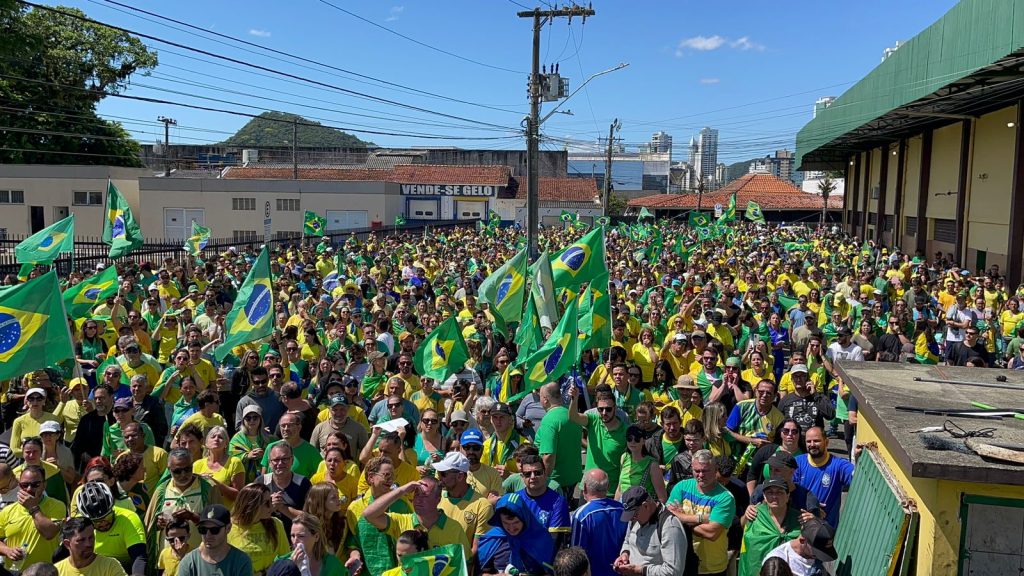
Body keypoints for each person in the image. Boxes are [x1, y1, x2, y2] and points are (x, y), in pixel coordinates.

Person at [666, 450, 736, 576]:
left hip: (711, 567)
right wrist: (700, 518)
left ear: (715, 471)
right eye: (697, 471)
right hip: (683, 562)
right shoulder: (681, 487)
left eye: (705, 471)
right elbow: (667, 517)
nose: (701, 475)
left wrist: (682, 519)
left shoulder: (725, 498)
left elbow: (711, 533)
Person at [362, 474, 471, 551]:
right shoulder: (402, 521)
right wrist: (401, 490)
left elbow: (465, 564)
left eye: (424, 495)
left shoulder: (455, 528)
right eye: (416, 494)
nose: (418, 499)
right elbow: (368, 515)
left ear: (438, 499)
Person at [73, 481, 147, 575]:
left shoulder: (129, 518)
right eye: (96, 521)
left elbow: (139, 556)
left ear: (113, 508)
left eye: (107, 517)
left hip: (125, 568)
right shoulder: (79, 524)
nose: (103, 524)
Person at [0, 465, 65, 571]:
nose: (29, 489)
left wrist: (32, 507)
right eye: (24, 485)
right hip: (15, 572)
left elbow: (49, 533)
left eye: (35, 484)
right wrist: (7, 550)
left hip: (45, 572)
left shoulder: (57, 506)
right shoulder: (7, 511)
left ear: (44, 485)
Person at [433, 451, 494, 561]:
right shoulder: (436, 498)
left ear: (460, 476)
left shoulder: (482, 505)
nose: (439, 478)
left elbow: (477, 548)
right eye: (438, 473)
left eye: (443, 474)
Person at [614, 486, 689, 576]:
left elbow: (673, 572)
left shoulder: (670, 526)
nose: (632, 519)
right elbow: (627, 541)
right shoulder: (634, 519)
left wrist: (640, 570)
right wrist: (625, 554)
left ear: (646, 506)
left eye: (634, 515)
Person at [567, 385, 627, 495]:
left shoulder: (625, 430)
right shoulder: (593, 419)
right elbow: (573, 417)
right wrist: (574, 399)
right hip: (588, 487)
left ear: (615, 408)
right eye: (600, 409)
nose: (604, 413)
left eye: (608, 409)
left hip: (610, 490)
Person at [478, 492, 556, 576]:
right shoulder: (492, 539)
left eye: (516, 522)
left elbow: (553, 573)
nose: (511, 528)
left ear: (524, 518)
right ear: (499, 521)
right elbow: (478, 572)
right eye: (506, 523)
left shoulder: (541, 539)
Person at [738, 478, 802, 576]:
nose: (774, 496)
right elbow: (743, 527)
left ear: (787, 496)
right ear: (764, 496)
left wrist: (813, 521)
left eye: (779, 492)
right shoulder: (754, 514)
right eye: (769, 492)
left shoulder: (800, 519)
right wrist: (745, 516)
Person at [570, 469, 627, 576]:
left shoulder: (581, 515)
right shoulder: (622, 509)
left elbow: (576, 554)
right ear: (608, 486)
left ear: (585, 487)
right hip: (620, 572)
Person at [793, 428, 853, 528]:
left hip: (826, 531)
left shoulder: (838, 465)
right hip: (799, 529)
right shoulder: (797, 463)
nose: (812, 444)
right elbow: (788, 491)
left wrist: (859, 459)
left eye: (816, 441)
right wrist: (813, 506)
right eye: (808, 441)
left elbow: (856, 475)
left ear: (826, 442)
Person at [226, 483, 289, 574]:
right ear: (252, 505)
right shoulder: (227, 527)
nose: (271, 506)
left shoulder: (276, 524)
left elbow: (285, 559)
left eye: (271, 501)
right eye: (266, 503)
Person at [535, 382, 584, 500]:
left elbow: (548, 456)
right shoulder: (572, 414)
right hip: (573, 478)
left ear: (545, 399)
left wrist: (543, 482)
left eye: (540, 396)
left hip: (555, 481)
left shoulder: (549, 420)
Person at [177, 504, 254, 576]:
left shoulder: (241, 561)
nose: (208, 535)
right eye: (203, 529)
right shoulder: (188, 562)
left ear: (228, 528)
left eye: (214, 530)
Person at [516, 454, 571, 547]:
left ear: (545, 474)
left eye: (537, 473)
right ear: (522, 477)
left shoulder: (558, 502)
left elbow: (555, 540)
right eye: (528, 474)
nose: (533, 477)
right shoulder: (515, 499)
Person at [260, 442, 313, 534]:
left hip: (295, 539)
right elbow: (250, 514)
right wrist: (269, 505)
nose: (280, 463)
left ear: (292, 461)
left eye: (285, 459)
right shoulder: (261, 482)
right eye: (276, 460)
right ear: (269, 462)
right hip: (265, 538)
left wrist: (282, 507)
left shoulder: (303, 483)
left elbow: (310, 518)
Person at [762, 518, 836, 576]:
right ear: (802, 541)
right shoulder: (777, 563)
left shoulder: (811, 554)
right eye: (815, 552)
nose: (818, 556)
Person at [55, 518, 128, 576]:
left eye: (91, 537)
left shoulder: (110, 566)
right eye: (81, 540)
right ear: (67, 544)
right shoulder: (57, 571)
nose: (88, 544)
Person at [193, 426, 245, 507]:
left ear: (226, 444)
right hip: (202, 512)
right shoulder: (197, 464)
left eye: (220, 437)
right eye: (213, 437)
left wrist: (213, 482)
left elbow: (238, 496)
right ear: (206, 443)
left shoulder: (234, 462)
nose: (216, 439)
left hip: (225, 513)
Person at [285, 512, 350, 576]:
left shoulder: (333, 565)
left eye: (301, 536)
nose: (295, 541)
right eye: (292, 536)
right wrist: (290, 567)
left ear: (316, 537)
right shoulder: (282, 563)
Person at [262, 411, 323, 478]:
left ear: (299, 427)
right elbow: (264, 476)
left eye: (290, 425)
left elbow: (319, 476)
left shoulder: (311, 451)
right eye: (283, 426)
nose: (286, 429)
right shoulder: (271, 448)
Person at [776, 365, 835, 433]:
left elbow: (830, 415)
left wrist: (815, 394)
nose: (798, 379)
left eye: (802, 376)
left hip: (813, 440)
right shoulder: (786, 400)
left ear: (808, 378)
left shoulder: (819, 397)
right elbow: (778, 424)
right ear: (792, 379)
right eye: (795, 376)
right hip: (794, 440)